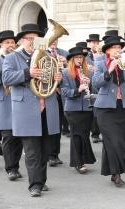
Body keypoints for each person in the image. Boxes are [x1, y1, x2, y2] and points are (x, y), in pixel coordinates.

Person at [2, 23, 62, 197]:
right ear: (21, 40)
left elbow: (54, 79)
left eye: (36, 38)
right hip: (26, 109)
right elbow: (6, 78)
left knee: (44, 149)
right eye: (29, 38)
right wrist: (28, 73)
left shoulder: (49, 55)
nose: (33, 41)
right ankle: (34, 184)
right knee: (32, 150)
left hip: (46, 107)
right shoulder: (13, 57)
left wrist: (58, 78)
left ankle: (41, 181)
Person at [93, 36, 125, 186]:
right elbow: (96, 83)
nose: (118, 50)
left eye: (119, 48)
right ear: (108, 51)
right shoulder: (100, 63)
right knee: (115, 140)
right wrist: (110, 69)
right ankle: (118, 172)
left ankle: (113, 172)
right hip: (105, 109)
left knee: (112, 142)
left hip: (122, 107)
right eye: (114, 48)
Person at [61, 46, 96, 174]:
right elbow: (64, 92)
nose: (79, 59)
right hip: (72, 109)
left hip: (87, 108)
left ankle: (83, 159)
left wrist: (90, 84)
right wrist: (78, 90)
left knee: (85, 135)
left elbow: (95, 90)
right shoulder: (65, 73)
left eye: (81, 57)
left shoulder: (89, 73)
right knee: (76, 135)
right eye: (77, 57)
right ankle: (78, 162)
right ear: (71, 59)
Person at [0, 30, 23, 180]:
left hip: (19, 102)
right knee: (7, 137)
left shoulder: (18, 60)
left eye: (12, 42)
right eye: (7, 42)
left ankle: (16, 166)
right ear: (1, 45)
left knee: (18, 137)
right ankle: (10, 169)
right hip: (3, 104)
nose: (10, 45)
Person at [46, 37, 69, 166]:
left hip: (61, 93)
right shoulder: (42, 52)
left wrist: (65, 64)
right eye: (52, 39)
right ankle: (47, 153)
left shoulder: (64, 53)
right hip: (49, 92)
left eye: (56, 39)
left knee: (57, 124)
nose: (54, 42)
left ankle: (54, 154)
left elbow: (71, 71)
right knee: (47, 124)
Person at [86, 34, 103, 144]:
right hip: (89, 84)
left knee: (98, 109)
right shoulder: (86, 56)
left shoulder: (102, 55)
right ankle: (93, 133)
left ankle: (97, 132)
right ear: (89, 44)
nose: (95, 44)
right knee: (91, 110)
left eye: (97, 42)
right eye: (93, 42)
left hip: (100, 84)